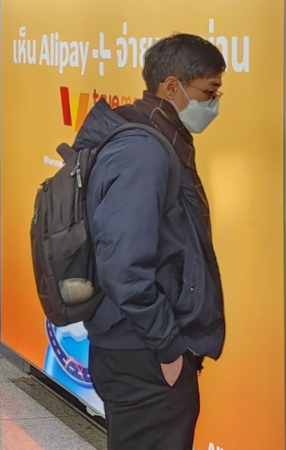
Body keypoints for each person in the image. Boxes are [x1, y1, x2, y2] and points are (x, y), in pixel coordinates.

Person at [79, 33, 226, 450]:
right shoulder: (144, 151)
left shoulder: (157, 137)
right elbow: (124, 263)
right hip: (141, 351)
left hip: (137, 345)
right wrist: (167, 348)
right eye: (209, 93)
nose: (214, 105)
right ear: (171, 86)